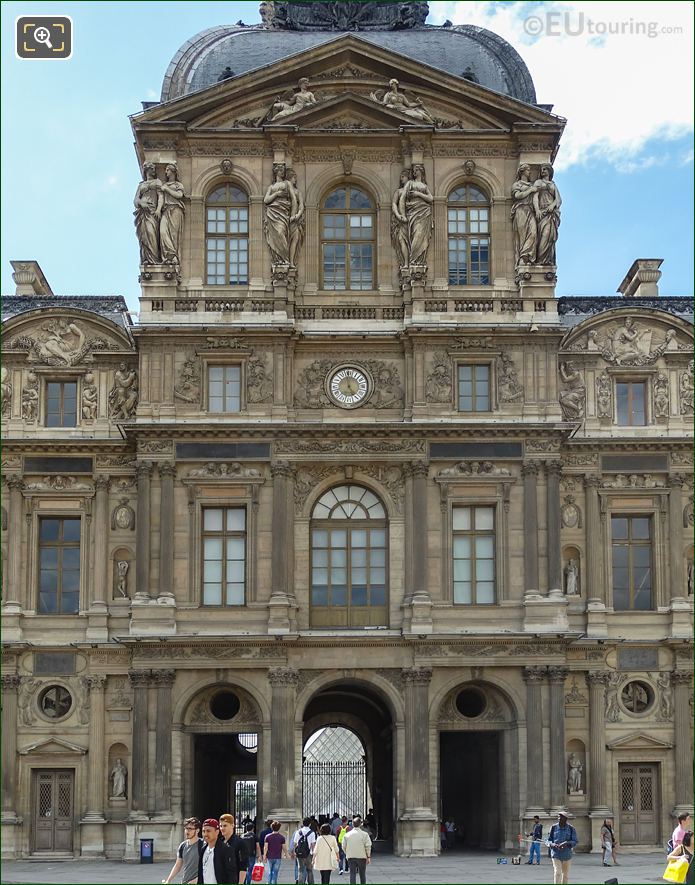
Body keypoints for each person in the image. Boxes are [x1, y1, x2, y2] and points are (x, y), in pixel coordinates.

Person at [398, 164, 433, 268]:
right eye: (413, 170)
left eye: (416, 170)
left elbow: (431, 199)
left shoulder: (425, 186)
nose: (414, 172)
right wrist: (403, 215)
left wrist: (418, 194)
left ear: (421, 171)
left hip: (424, 212)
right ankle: (413, 261)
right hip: (413, 213)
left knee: (421, 235)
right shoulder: (410, 183)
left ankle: (417, 261)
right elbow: (402, 199)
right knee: (416, 235)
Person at [164, 818, 204, 885]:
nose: (187, 831)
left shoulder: (203, 845)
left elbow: (209, 868)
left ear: (197, 830)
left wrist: (196, 880)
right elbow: (178, 865)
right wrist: (168, 880)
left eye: (190, 829)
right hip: (185, 881)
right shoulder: (182, 845)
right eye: (186, 828)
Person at [546, 811, 577, 885]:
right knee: (558, 872)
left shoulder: (571, 828)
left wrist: (566, 843)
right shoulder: (553, 827)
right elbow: (548, 840)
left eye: (561, 817)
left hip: (567, 855)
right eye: (558, 817)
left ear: (566, 819)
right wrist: (552, 844)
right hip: (556, 854)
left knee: (565, 874)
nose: (559, 819)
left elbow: (575, 841)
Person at [218, 813, 250, 884]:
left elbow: (243, 867)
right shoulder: (220, 842)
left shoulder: (240, 843)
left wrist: (240, 883)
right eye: (221, 826)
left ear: (232, 825)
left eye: (225, 826)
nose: (222, 828)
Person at [342, 816, 371, 885]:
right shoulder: (365, 835)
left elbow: (343, 846)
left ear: (352, 824)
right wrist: (368, 856)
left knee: (352, 874)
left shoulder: (347, 835)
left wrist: (347, 853)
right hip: (362, 857)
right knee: (362, 874)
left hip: (351, 857)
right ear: (360, 824)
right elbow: (368, 846)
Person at [291, 817, 317, 885]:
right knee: (310, 870)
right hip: (309, 854)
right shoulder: (312, 833)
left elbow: (295, 843)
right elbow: (313, 844)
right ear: (310, 824)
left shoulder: (298, 832)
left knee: (301, 870)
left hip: (300, 854)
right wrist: (314, 854)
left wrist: (294, 852)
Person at [263, 820, 288, 885]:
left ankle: (269, 882)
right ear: (279, 828)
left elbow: (266, 847)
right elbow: (284, 848)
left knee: (269, 872)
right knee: (275, 872)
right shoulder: (282, 837)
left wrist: (264, 856)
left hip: (269, 857)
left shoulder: (267, 836)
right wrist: (287, 855)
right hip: (277, 857)